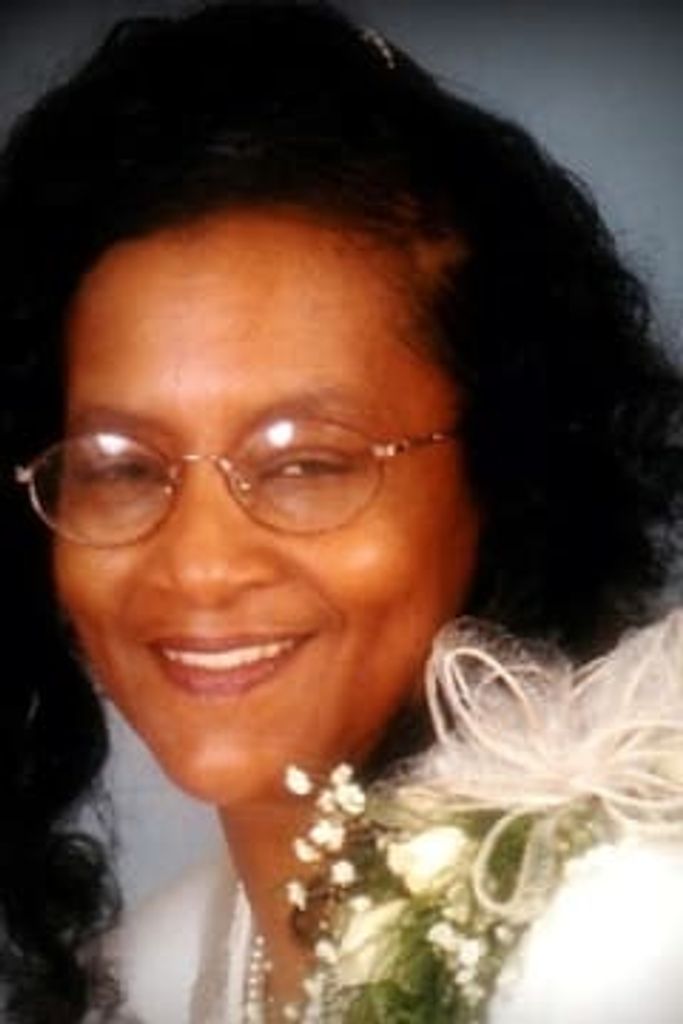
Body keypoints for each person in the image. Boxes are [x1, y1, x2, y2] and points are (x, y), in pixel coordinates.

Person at [0, 2, 680, 1021]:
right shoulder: (139, 979)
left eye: (305, 464)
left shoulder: (631, 940)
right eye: (122, 467)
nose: (197, 565)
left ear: (508, 468)